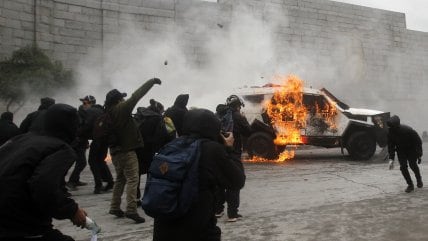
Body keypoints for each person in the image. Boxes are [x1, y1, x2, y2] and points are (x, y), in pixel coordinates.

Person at [153, 108, 246, 241]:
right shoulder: (211, 149)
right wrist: (230, 149)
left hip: (163, 229)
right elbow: (237, 180)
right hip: (197, 230)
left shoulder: (171, 146)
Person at [0, 104, 87, 241]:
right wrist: (72, 211)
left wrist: (70, 205)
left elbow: (53, 182)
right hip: (19, 221)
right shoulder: (61, 148)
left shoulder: (19, 139)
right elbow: (43, 186)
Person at [106, 77, 161, 223]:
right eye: (121, 98)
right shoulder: (121, 109)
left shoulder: (109, 111)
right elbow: (137, 95)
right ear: (118, 100)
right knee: (133, 179)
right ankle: (131, 209)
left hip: (115, 151)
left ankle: (115, 206)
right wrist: (151, 81)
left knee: (120, 178)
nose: (124, 100)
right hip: (126, 150)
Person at [215, 95, 251, 222]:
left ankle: (218, 210)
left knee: (219, 181)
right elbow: (248, 131)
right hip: (233, 153)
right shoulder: (237, 116)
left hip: (218, 153)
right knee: (234, 181)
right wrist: (245, 121)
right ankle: (232, 214)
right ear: (237, 105)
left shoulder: (218, 115)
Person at [134, 99, 172, 201]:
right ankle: (148, 195)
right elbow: (161, 136)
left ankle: (135, 197)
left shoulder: (139, 115)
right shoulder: (157, 118)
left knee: (136, 173)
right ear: (159, 110)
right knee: (151, 173)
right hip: (150, 150)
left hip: (136, 149)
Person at [78, 95, 114, 194]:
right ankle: (110, 182)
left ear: (91, 103)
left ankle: (98, 185)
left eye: (85, 103)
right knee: (100, 161)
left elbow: (87, 126)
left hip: (98, 139)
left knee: (92, 161)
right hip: (105, 139)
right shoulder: (101, 110)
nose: (83, 105)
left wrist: (78, 133)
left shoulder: (90, 112)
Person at [387, 115, 423, 193]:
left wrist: (419, 154)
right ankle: (410, 185)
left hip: (411, 150)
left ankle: (418, 179)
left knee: (412, 165)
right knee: (403, 167)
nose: (391, 128)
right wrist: (391, 159)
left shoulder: (408, 130)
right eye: (390, 127)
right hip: (401, 151)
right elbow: (391, 146)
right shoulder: (390, 133)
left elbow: (418, 142)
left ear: (397, 125)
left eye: (392, 127)